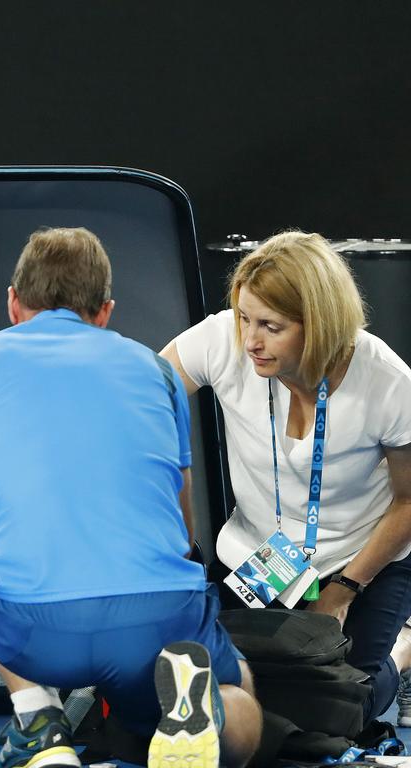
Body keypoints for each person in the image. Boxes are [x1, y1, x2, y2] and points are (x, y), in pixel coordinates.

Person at [0, 227, 262, 768]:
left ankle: (38, 721)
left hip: (31, 629)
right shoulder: (158, 372)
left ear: (12, 303)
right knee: (239, 689)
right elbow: (181, 522)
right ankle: (200, 716)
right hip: (160, 619)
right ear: (105, 311)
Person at [161, 230, 411, 725]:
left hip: (363, 560)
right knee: (243, 697)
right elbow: (140, 397)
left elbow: (408, 502)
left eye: (271, 327)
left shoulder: (387, 381)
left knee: (338, 711)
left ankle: (402, 652)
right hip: (262, 556)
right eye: (243, 318)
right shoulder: (223, 340)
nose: (250, 341)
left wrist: (342, 590)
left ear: (318, 325)